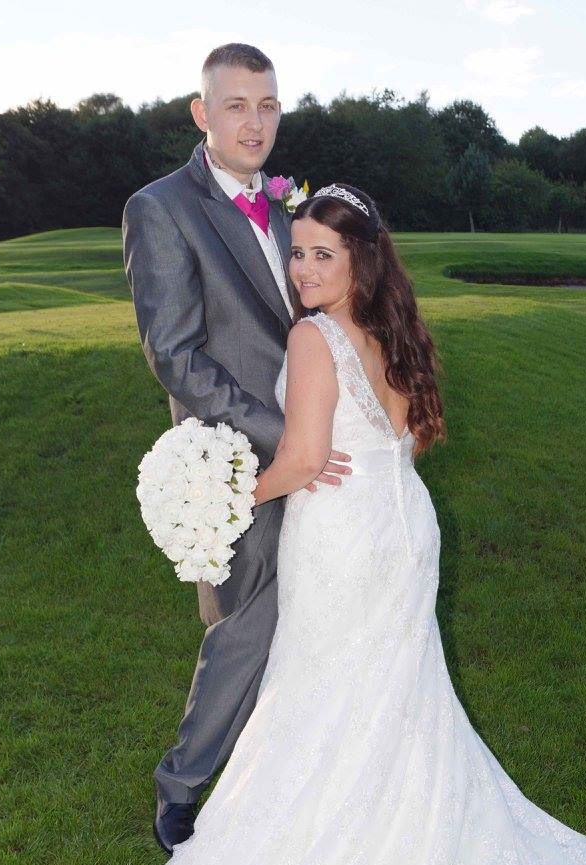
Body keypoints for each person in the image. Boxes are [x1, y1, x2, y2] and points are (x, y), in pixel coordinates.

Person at [166, 183, 586, 864]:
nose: (303, 270)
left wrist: (226, 502)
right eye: (297, 253)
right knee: (396, 685)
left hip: (339, 536)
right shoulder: (393, 329)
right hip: (404, 524)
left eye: (323, 255)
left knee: (324, 683)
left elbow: (304, 459)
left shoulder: (313, 335)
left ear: (360, 258)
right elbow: (398, 442)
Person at [122, 43, 350, 853]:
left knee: (316, 611)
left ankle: (286, 770)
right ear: (202, 113)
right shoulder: (161, 207)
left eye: (267, 105)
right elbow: (176, 354)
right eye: (235, 105)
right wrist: (285, 435)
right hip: (232, 458)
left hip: (313, 439)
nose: (254, 123)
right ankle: (182, 786)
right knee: (247, 624)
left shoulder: (291, 209)